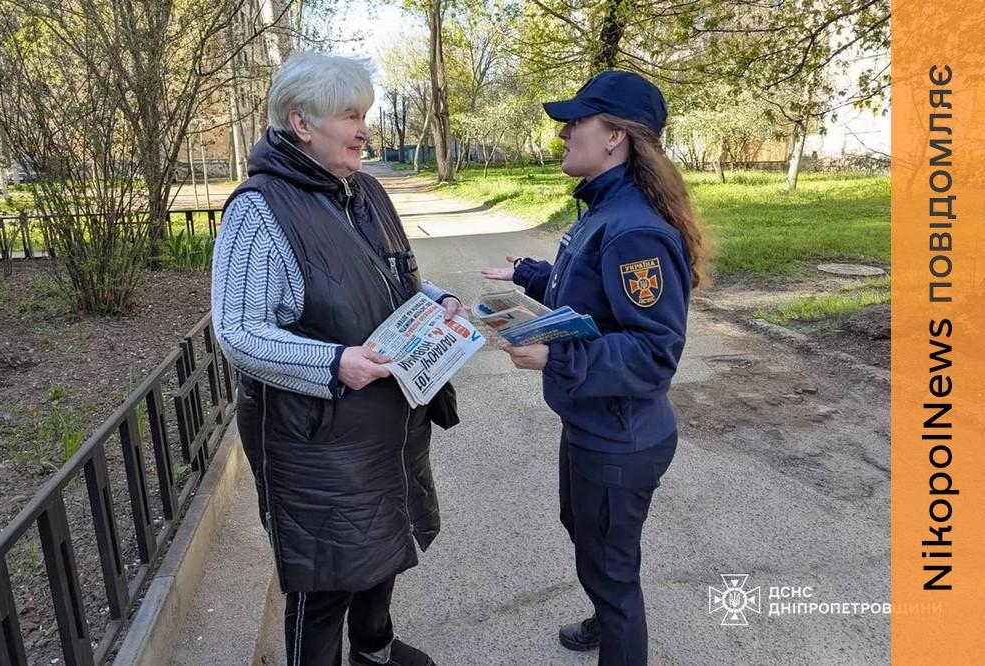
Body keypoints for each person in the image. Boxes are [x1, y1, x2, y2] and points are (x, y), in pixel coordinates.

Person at [211, 52, 464, 666]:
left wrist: (436, 301)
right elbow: (238, 332)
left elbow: (393, 280)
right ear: (301, 123)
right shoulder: (258, 209)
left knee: (385, 541)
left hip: (388, 419)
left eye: (364, 116)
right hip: (317, 440)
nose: (364, 131)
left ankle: (373, 648)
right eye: (352, 116)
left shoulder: (365, 189)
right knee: (325, 576)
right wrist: (334, 364)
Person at [481, 70, 709, 665]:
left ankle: (617, 630)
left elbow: (655, 352)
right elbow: (592, 294)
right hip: (593, 423)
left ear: (615, 137)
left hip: (620, 437)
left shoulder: (633, 229)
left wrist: (558, 355)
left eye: (576, 121)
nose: (563, 134)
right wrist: (530, 275)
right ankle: (607, 617)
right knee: (585, 535)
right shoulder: (607, 206)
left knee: (610, 567)